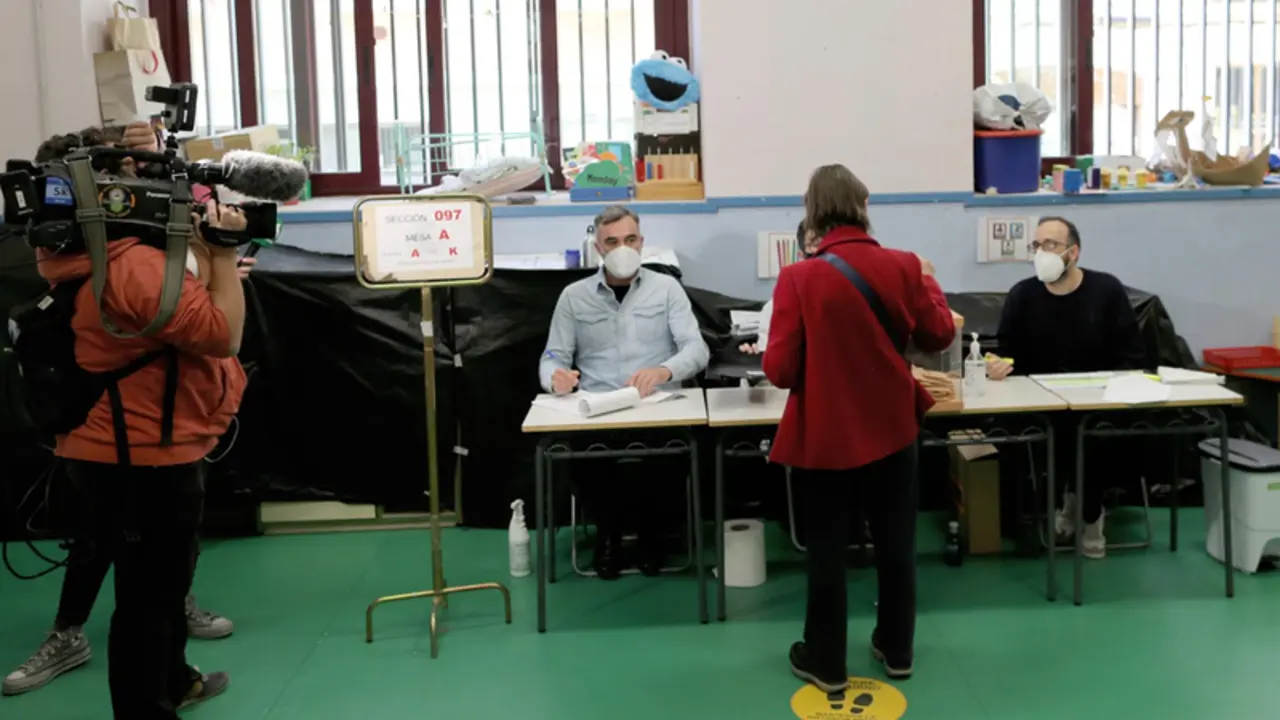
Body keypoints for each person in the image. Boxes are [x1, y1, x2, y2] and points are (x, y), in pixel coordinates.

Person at [6, 123, 248, 718]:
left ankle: (177, 679)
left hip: (111, 446)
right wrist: (221, 254)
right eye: (132, 174)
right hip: (142, 456)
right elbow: (221, 334)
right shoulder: (129, 266)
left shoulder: (83, 250)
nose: (148, 182)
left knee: (157, 589)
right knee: (148, 600)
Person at [763, 164, 955, 690]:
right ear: (864, 206)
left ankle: (825, 661)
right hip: (894, 427)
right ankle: (897, 650)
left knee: (826, 550)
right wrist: (930, 280)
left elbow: (779, 371)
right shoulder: (905, 266)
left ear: (812, 214)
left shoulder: (798, 277)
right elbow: (938, 336)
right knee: (897, 544)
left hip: (824, 435)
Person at [538, 205, 710, 579]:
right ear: (598, 248)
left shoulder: (667, 289)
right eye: (612, 241)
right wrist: (556, 378)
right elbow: (552, 356)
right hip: (599, 408)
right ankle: (608, 536)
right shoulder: (573, 296)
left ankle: (652, 536)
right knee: (586, 457)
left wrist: (665, 369)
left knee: (669, 456)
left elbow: (697, 350)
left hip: (656, 406)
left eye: (630, 239)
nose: (622, 248)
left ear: (642, 242)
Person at [985, 216, 1145, 558]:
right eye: (1037, 245)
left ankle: (1089, 515)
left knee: (1090, 437)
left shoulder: (1106, 291)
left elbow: (1131, 354)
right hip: (1041, 403)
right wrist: (1002, 364)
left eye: (1051, 245)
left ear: (1073, 252)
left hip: (1098, 402)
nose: (1041, 252)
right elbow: (1009, 351)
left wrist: (1108, 390)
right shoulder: (1023, 295)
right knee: (1036, 435)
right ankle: (1064, 507)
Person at [739, 220, 818, 355]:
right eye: (814, 256)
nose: (824, 264)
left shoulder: (857, 296)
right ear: (801, 257)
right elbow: (775, 367)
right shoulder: (777, 306)